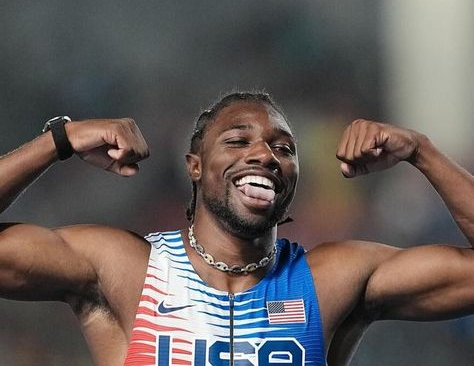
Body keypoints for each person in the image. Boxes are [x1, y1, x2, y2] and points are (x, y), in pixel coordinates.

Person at [0, 92, 473, 366]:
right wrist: (57, 141)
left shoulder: (332, 279)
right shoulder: (127, 270)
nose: (265, 155)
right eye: (237, 140)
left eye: (284, 149)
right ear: (195, 166)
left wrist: (421, 151)